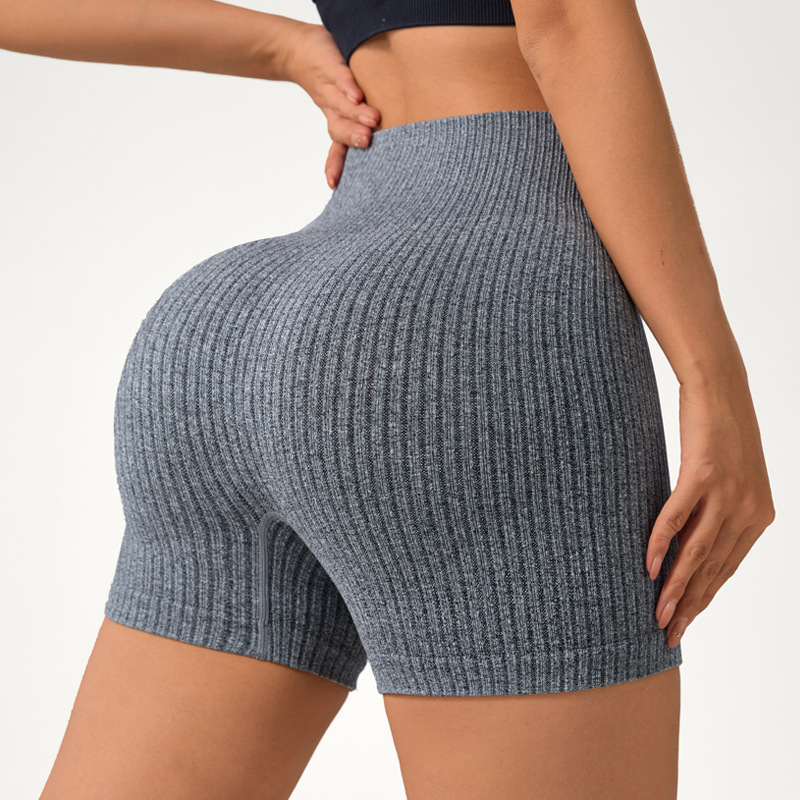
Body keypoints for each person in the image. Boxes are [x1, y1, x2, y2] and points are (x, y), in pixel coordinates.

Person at [2, 1, 776, 798]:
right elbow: (567, 19)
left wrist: (282, 46)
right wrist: (710, 375)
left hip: (223, 332)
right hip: (474, 310)